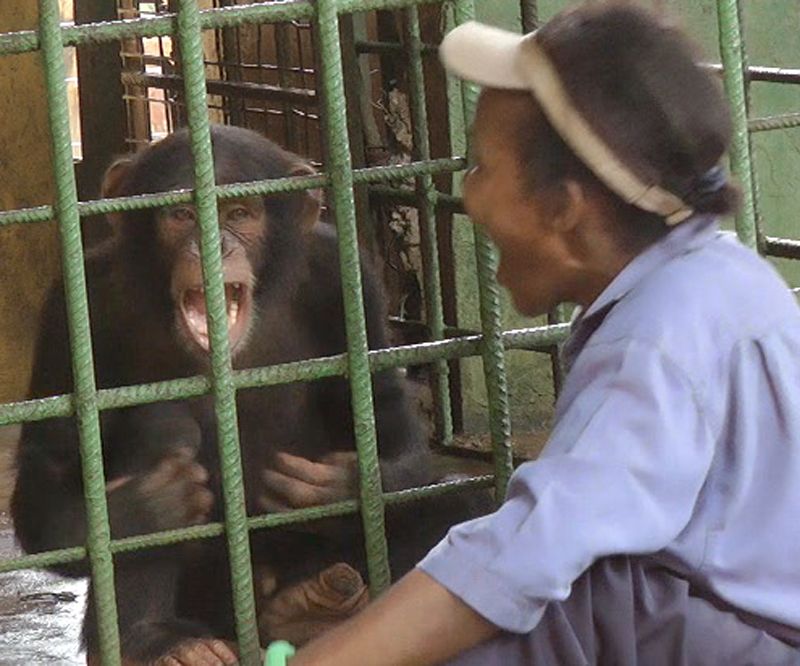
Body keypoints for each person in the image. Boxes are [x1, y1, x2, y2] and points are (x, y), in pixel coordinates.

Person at [289, 2, 800, 664]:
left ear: (563, 208)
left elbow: (530, 553)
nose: (466, 196)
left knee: (563, 597)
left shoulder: (659, 340)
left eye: (481, 168)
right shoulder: (713, 276)